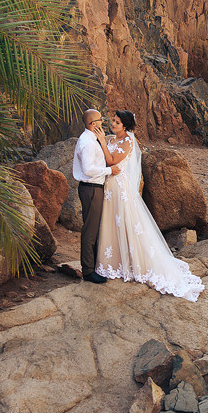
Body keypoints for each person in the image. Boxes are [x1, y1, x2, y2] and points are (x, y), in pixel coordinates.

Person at [94, 110, 205, 302]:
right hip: (109, 188)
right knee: (111, 224)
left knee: (127, 224)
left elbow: (112, 161)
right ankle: (114, 261)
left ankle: (136, 262)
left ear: (126, 126)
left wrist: (102, 142)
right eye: (113, 120)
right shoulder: (111, 139)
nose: (113, 124)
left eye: (117, 122)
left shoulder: (128, 142)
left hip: (120, 190)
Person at [72, 108, 121, 284]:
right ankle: (88, 271)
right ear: (93, 124)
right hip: (91, 188)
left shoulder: (92, 139)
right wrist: (109, 170)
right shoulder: (88, 142)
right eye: (100, 120)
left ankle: (93, 266)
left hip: (94, 187)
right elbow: (87, 169)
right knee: (90, 230)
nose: (103, 122)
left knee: (95, 228)